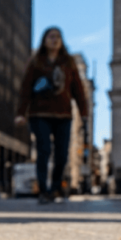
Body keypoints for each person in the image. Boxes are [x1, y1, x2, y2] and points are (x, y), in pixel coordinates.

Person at [16, 27, 90, 205]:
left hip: (63, 114)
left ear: (62, 41)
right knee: (44, 150)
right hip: (39, 113)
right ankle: (43, 190)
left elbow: (78, 89)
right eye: (51, 36)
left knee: (62, 154)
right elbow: (25, 89)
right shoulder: (36, 62)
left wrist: (83, 111)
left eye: (58, 37)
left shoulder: (69, 62)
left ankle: (55, 188)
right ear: (44, 40)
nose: (54, 39)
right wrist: (20, 113)